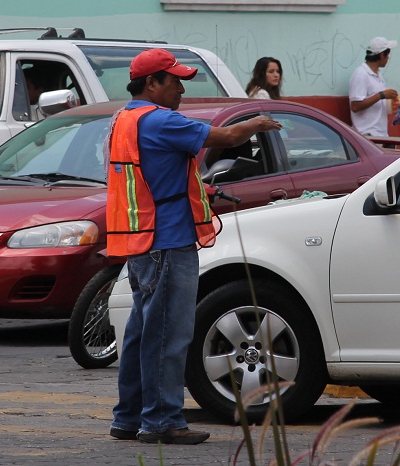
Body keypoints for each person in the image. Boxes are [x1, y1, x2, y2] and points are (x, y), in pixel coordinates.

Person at [106, 48, 281, 445]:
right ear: (152, 83)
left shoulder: (124, 119)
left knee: (141, 334)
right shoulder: (161, 120)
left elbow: (153, 174)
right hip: (168, 241)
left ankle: (128, 418)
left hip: (143, 241)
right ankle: (163, 420)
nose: (181, 89)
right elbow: (229, 136)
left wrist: (199, 188)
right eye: (175, 81)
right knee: (168, 335)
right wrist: (257, 120)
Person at [348, 36, 399, 137]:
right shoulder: (361, 74)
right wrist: (381, 95)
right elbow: (355, 106)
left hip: (381, 134)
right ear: (381, 55)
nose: (388, 58)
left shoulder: (378, 75)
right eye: (387, 55)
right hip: (367, 135)